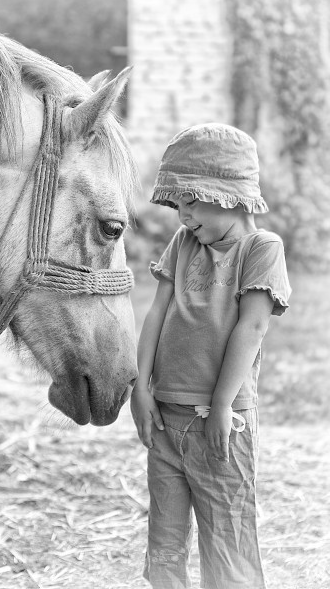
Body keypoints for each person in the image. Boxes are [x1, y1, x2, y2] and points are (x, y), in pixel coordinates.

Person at [131, 123, 291, 589]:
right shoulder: (184, 245)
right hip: (165, 419)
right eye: (176, 203)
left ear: (226, 194)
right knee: (164, 542)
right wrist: (140, 388)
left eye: (190, 201)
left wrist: (222, 405)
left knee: (228, 541)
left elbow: (252, 327)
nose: (181, 215)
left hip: (221, 422)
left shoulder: (262, 249)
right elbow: (157, 312)